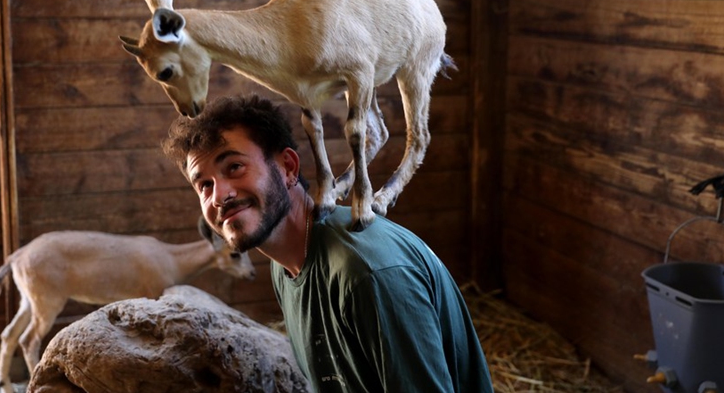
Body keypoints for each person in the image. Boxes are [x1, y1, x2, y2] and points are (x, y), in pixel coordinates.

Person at [162, 95, 493, 393]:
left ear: (288, 167)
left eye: (234, 167)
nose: (219, 196)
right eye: (204, 185)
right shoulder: (286, 263)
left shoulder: (367, 273)